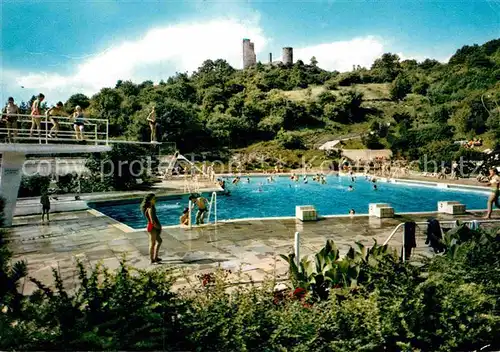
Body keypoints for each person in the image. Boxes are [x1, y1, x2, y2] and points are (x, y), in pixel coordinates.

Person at [140, 193, 163, 264]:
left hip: (153, 227)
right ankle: (152, 259)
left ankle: (155, 257)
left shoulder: (151, 206)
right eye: (154, 198)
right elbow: (152, 221)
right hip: (152, 228)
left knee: (159, 241)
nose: (155, 199)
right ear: (150, 200)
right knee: (152, 243)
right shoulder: (150, 208)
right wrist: (158, 227)